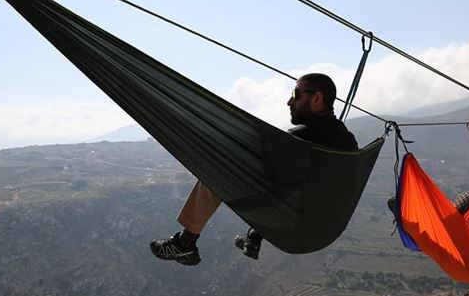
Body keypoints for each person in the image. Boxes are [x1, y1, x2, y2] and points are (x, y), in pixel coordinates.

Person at [149, 73, 359, 265]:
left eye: (296, 94)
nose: (289, 101)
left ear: (317, 98)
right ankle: (254, 235)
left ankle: (184, 243)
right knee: (288, 178)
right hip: (324, 229)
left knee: (220, 169)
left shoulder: (299, 140)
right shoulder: (349, 143)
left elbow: (265, 176)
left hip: (292, 224)